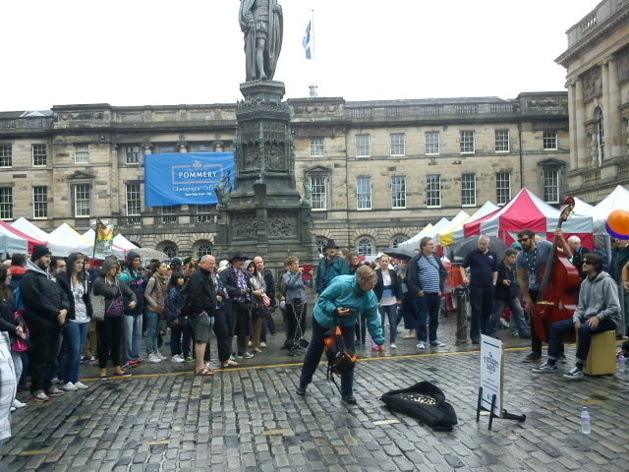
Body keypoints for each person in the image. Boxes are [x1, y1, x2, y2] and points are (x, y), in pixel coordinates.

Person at [296, 266, 385, 405]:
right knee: (316, 350)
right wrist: (335, 310)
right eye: (371, 283)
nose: (374, 286)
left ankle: (347, 393)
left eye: (375, 282)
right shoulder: (342, 285)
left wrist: (379, 339)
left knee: (349, 355)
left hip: (347, 323)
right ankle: (304, 382)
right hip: (324, 318)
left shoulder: (370, 296)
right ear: (361, 281)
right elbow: (323, 299)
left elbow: (373, 318)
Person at [532, 253, 620, 379]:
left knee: (584, 329)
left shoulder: (607, 282)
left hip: (608, 319)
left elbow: (615, 307)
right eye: (584, 262)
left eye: (587, 263)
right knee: (556, 327)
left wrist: (598, 317)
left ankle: (579, 366)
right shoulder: (585, 283)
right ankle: (551, 363)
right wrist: (576, 319)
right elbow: (580, 307)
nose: (584, 264)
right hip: (588, 317)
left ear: (596, 266)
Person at [20, 245, 70, 401]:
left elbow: (62, 294)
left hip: (55, 323)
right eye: (46, 256)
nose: (49, 259)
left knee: (51, 357)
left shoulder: (49, 276)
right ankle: (37, 387)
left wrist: (65, 309)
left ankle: (48, 384)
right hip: (40, 324)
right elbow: (36, 300)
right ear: (37, 257)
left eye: (49, 256)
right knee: (40, 358)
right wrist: (56, 313)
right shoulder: (29, 277)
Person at [516, 228, 562, 362]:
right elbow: (521, 279)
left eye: (524, 240)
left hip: (551, 288)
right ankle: (535, 352)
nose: (522, 243)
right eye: (520, 241)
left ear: (532, 238)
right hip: (534, 288)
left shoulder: (546, 246)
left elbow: (566, 254)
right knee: (534, 320)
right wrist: (528, 299)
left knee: (554, 319)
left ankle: (559, 351)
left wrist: (562, 240)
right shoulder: (521, 256)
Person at [186, 255, 232, 374]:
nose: (213, 265)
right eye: (211, 263)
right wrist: (200, 310)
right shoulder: (197, 276)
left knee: (205, 339)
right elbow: (193, 295)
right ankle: (200, 367)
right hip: (202, 313)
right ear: (202, 263)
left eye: (214, 263)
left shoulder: (209, 276)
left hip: (210, 311)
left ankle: (204, 365)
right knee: (201, 340)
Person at [92, 259, 136, 380]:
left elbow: (130, 292)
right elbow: (111, 292)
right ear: (106, 268)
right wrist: (119, 285)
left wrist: (133, 300)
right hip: (105, 316)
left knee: (116, 343)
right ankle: (103, 369)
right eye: (112, 268)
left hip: (117, 316)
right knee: (105, 343)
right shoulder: (99, 281)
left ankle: (117, 367)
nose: (114, 270)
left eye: (115, 268)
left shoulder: (118, 281)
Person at [57, 253, 92, 391]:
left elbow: (86, 297)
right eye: (77, 262)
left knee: (79, 350)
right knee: (73, 349)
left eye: (82, 262)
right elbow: (62, 297)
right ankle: (67, 379)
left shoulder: (85, 278)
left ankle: (75, 378)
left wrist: (90, 311)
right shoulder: (63, 279)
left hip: (84, 316)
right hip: (72, 317)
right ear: (71, 263)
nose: (80, 265)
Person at [406, 237, 448, 349]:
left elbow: (443, 272)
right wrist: (418, 290)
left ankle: (434, 339)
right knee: (422, 318)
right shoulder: (416, 259)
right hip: (423, 294)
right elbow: (410, 278)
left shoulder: (436, 258)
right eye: (430, 244)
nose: (433, 246)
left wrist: (440, 288)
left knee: (434, 318)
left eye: (432, 244)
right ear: (423, 246)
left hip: (436, 293)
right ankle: (422, 339)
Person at [460, 235, 498, 343]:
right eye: (480, 243)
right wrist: (464, 277)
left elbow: (495, 270)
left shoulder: (493, 255)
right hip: (476, 286)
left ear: (488, 244)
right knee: (476, 310)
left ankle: (486, 332)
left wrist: (494, 283)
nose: (481, 245)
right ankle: (475, 335)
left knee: (488, 310)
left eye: (484, 244)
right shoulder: (473, 254)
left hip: (489, 286)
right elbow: (462, 266)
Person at [0, 266, 26, 411]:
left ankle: (11, 396)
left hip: (11, 335)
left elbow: (14, 312)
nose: (10, 277)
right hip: (3, 336)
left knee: (16, 367)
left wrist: (19, 324)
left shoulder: (7, 293)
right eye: (8, 275)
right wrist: (15, 328)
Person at [239, 0, 283, 81]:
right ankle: (261, 72)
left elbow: (274, 6)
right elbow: (245, 9)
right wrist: (250, 20)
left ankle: (265, 70)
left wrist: (278, 8)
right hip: (258, 20)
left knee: (268, 49)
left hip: (270, 22)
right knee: (260, 46)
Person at [221, 252, 254, 360]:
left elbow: (252, 285)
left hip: (244, 304)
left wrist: (249, 291)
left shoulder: (246, 273)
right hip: (232, 304)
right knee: (230, 329)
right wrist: (238, 290)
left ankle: (242, 351)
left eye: (243, 260)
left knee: (243, 328)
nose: (242, 262)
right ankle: (229, 353)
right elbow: (223, 286)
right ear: (234, 261)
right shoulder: (227, 273)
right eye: (240, 260)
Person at [492, 248, 530, 338]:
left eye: (515, 257)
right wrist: (502, 281)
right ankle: (491, 332)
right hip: (500, 296)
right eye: (512, 257)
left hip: (513, 295)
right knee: (496, 315)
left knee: (519, 312)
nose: (514, 259)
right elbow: (494, 278)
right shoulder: (499, 266)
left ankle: (523, 331)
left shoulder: (515, 266)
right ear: (506, 257)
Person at [119, 251, 146, 367]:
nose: (137, 262)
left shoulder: (138, 273)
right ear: (130, 261)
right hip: (129, 310)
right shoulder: (125, 276)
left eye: (139, 260)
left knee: (137, 334)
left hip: (139, 309)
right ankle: (128, 357)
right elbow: (121, 293)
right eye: (135, 260)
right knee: (128, 336)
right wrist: (128, 304)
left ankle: (136, 355)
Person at [374, 255, 402, 348]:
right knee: (380, 322)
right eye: (383, 261)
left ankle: (392, 341)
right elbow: (373, 287)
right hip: (380, 301)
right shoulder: (375, 273)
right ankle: (381, 342)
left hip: (392, 300)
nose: (385, 263)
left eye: (386, 261)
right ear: (379, 262)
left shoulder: (393, 272)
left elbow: (398, 286)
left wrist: (399, 298)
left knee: (393, 322)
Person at [144, 261, 169, 363]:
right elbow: (146, 294)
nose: (165, 269)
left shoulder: (164, 279)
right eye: (163, 267)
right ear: (157, 268)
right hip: (152, 309)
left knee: (156, 332)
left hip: (160, 309)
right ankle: (150, 352)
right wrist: (154, 304)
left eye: (166, 267)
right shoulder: (153, 279)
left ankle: (155, 350)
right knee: (151, 331)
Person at [282, 256, 308, 351]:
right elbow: (290, 284)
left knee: (302, 322)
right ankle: (291, 342)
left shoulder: (301, 274)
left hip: (302, 300)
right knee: (293, 323)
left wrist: (309, 276)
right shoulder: (286, 275)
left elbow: (309, 284)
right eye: (295, 264)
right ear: (290, 266)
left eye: (298, 263)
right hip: (292, 302)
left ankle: (300, 340)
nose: (297, 265)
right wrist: (297, 274)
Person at [165, 271, 189, 363]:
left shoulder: (181, 289)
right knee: (175, 336)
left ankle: (179, 353)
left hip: (181, 316)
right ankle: (174, 354)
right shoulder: (173, 290)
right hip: (174, 317)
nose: (181, 280)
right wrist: (174, 317)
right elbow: (171, 305)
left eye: (182, 278)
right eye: (179, 278)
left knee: (179, 335)